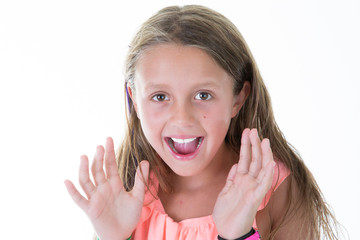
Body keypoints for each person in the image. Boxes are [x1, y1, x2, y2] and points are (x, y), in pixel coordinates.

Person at [64, 5, 339, 240]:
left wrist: (240, 235)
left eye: (203, 95)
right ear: (134, 99)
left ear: (237, 98)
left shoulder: (275, 187)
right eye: (160, 96)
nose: (182, 118)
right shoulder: (124, 193)